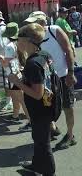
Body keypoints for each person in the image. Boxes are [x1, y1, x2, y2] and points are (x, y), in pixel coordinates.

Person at [8, 23, 56, 176]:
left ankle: (49, 172)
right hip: (47, 106)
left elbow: (37, 94)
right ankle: (36, 165)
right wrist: (26, 75)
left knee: (43, 143)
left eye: (19, 40)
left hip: (40, 109)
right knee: (38, 138)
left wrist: (17, 83)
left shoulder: (33, 63)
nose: (17, 43)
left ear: (28, 41)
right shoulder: (44, 54)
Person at [25, 11, 77, 149]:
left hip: (63, 76)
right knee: (48, 105)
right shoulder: (34, 37)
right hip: (48, 79)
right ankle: (53, 128)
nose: (31, 25)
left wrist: (71, 73)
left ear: (42, 21)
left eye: (34, 22)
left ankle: (70, 136)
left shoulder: (55, 30)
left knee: (67, 106)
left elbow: (68, 50)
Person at [0, 22, 31, 130]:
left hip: (13, 75)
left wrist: (1, 58)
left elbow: (6, 63)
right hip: (20, 73)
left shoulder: (9, 46)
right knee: (15, 96)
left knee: (21, 99)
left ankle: (31, 121)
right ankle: (15, 116)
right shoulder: (20, 43)